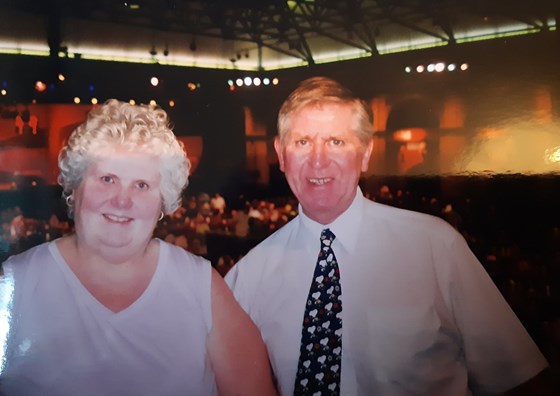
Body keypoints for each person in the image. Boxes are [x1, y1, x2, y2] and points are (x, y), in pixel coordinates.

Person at [225, 77, 553, 395]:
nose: (318, 159)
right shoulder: (248, 278)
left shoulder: (435, 247)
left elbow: (516, 380)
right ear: (281, 154)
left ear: (365, 153)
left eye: (335, 142)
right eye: (302, 142)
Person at [0, 100, 277, 396]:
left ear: (163, 201)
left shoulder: (201, 286)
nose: (122, 201)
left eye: (142, 185)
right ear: (75, 185)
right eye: (107, 179)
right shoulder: (16, 284)